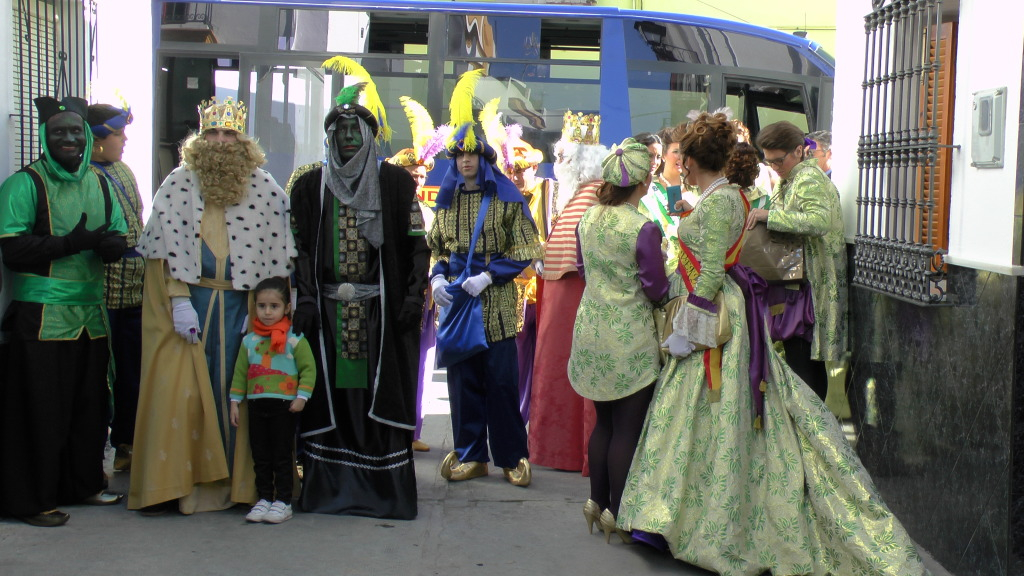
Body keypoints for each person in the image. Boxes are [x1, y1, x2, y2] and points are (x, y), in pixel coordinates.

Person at [617, 111, 925, 575]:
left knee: (719, 412)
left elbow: (715, 270)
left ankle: (701, 519)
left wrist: (689, 328)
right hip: (724, 310)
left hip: (719, 317)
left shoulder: (722, 201)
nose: (676, 166)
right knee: (702, 413)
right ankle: (672, 513)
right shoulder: (721, 196)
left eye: (682, 159)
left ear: (696, 163)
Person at [129, 96, 296, 515]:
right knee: (182, 393)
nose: (221, 142)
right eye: (213, 134)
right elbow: (162, 252)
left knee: (236, 392)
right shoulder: (177, 183)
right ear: (200, 140)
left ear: (243, 140)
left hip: (242, 309)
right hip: (188, 305)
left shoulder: (264, 188)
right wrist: (179, 300)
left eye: (229, 134)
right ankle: (182, 484)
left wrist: (262, 312)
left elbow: (277, 258)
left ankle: (243, 484)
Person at [290, 56, 429, 520]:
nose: (348, 138)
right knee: (335, 398)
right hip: (328, 317)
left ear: (370, 138)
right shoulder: (310, 185)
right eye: (340, 132)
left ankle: (381, 493)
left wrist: (411, 298)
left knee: (374, 398)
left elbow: (416, 246)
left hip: (379, 317)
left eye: (356, 132)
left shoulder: (393, 182)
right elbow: (300, 249)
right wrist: (306, 299)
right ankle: (328, 490)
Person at [0, 96, 128, 527]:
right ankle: (31, 500)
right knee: (40, 411)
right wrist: (69, 244)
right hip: (40, 318)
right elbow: (13, 249)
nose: (69, 138)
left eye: (76, 131)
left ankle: (82, 484)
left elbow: (114, 235)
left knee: (89, 408)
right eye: (59, 132)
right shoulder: (23, 185)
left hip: (91, 317)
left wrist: (111, 247)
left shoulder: (101, 181)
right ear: (44, 136)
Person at [430, 69, 540, 487]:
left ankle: (512, 456)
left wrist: (491, 275)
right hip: (459, 301)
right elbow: (438, 248)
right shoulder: (447, 200)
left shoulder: (508, 198)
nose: (465, 161)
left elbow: (528, 247)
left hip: (495, 304)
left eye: (472, 154)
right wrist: (439, 279)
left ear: (485, 158)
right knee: (463, 383)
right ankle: (471, 455)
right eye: (459, 155)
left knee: (500, 382)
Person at [567, 138, 668, 543]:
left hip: (590, 330)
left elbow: (581, 266)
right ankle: (618, 512)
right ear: (643, 182)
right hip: (628, 335)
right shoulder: (642, 227)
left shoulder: (587, 218)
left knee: (603, 423)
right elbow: (656, 288)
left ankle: (595, 502)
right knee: (628, 428)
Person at [527, 111, 606, 474]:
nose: (557, 164)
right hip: (566, 298)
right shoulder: (581, 197)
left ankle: (568, 450)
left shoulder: (589, 200)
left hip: (576, 302)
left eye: (563, 157)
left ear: (581, 161)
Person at [748, 121, 847, 401]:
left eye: (780, 160)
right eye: (770, 161)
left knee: (805, 369)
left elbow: (820, 221)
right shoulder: (794, 178)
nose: (775, 166)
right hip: (801, 284)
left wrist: (771, 216)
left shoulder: (808, 178)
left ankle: (812, 435)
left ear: (800, 150)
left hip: (810, 287)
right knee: (803, 365)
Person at [387, 94, 450, 453]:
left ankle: (414, 428)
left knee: (423, 362)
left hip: (424, 299)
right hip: (395, 296)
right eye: (411, 175)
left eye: (422, 175)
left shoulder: (428, 211)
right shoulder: (388, 208)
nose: (417, 180)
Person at [229, 277, 316, 525]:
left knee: (281, 454)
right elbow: (240, 373)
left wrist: (302, 397)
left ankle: (284, 501)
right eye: (262, 306)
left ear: (287, 308)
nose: (267, 312)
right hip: (257, 405)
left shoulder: (294, 340)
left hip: (284, 406)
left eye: (274, 306)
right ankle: (264, 498)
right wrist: (235, 401)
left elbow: (308, 369)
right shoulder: (250, 341)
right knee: (261, 454)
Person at [87, 101, 144, 473]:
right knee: (101, 375)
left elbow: (138, 219)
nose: (124, 140)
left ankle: (127, 443)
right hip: (103, 290)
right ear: (97, 139)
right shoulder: (83, 177)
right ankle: (93, 455)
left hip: (138, 290)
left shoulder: (123, 169)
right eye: (117, 134)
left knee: (134, 371)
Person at [508, 137, 551, 423]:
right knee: (516, 362)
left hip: (547, 291)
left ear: (535, 167)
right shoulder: (502, 198)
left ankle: (539, 424)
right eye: (512, 170)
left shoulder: (551, 192)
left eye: (522, 170)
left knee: (546, 362)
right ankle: (515, 421)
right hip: (513, 292)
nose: (516, 176)